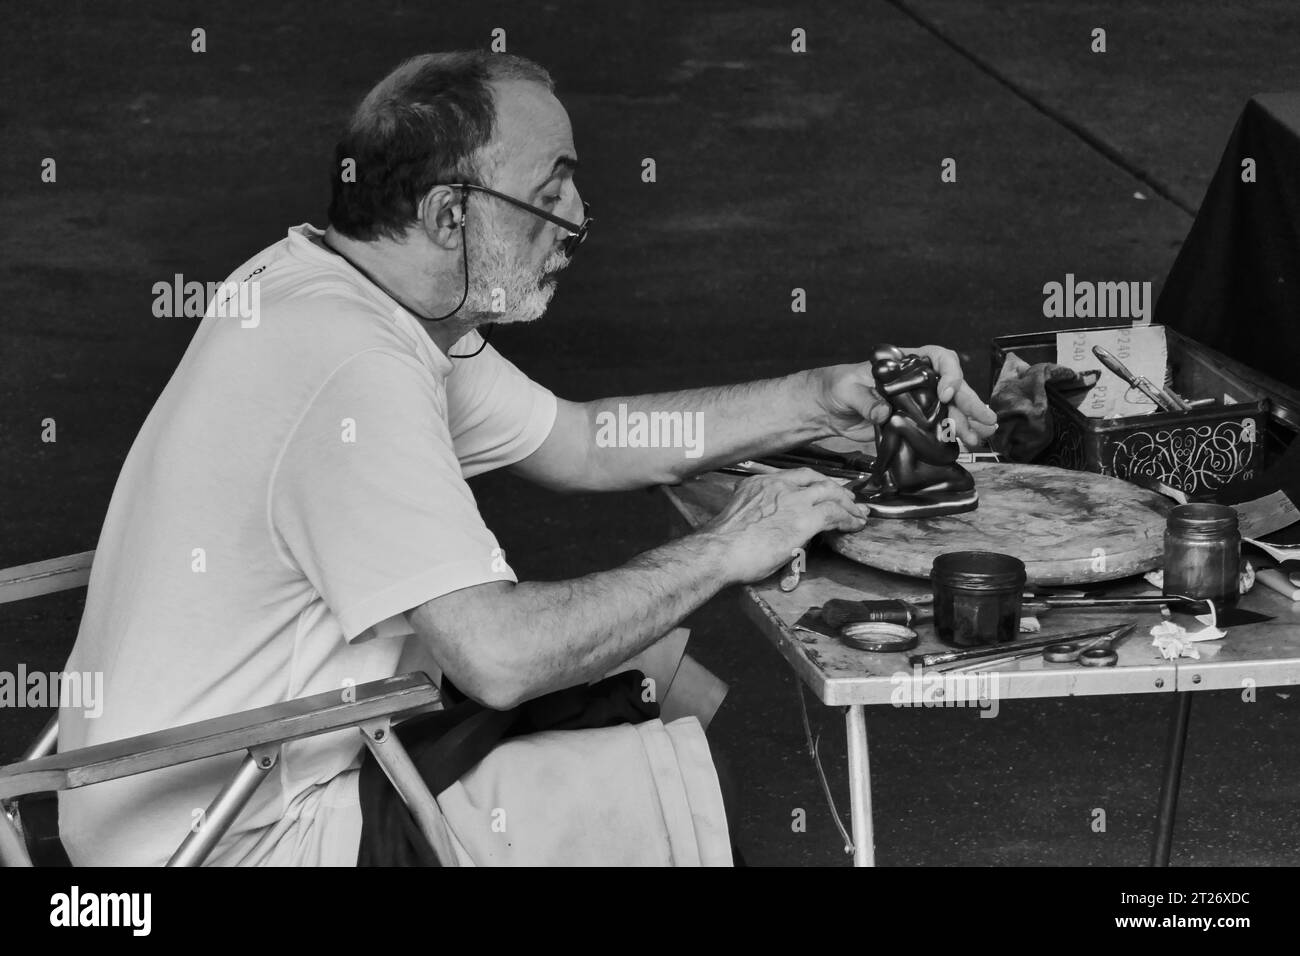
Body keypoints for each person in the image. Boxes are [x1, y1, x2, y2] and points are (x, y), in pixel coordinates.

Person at [58, 50, 997, 866]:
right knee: (659, 787)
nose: (581, 220)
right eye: (548, 195)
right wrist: (727, 545)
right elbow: (501, 657)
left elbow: (586, 443)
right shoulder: (349, 366)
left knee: (655, 688)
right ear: (447, 215)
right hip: (236, 836)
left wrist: (814, 398)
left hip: (225, 769)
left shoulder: (335, 287)